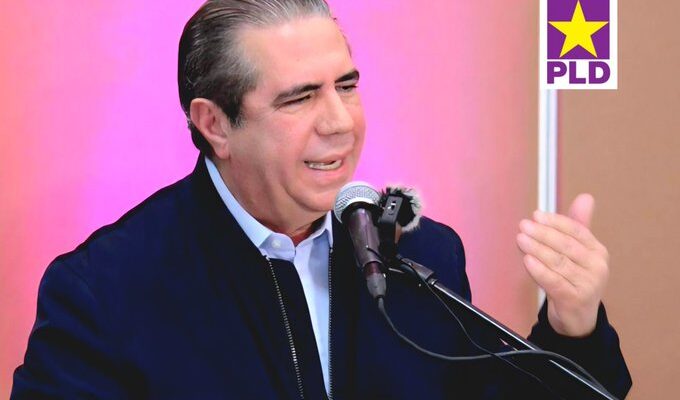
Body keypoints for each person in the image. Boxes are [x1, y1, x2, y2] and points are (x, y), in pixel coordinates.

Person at [12, 0, 631, 398]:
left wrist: (571, 327)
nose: (340, 122)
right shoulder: (105, 291)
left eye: (347, 86)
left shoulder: (424, 257)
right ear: (215, 124)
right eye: (300, 97)